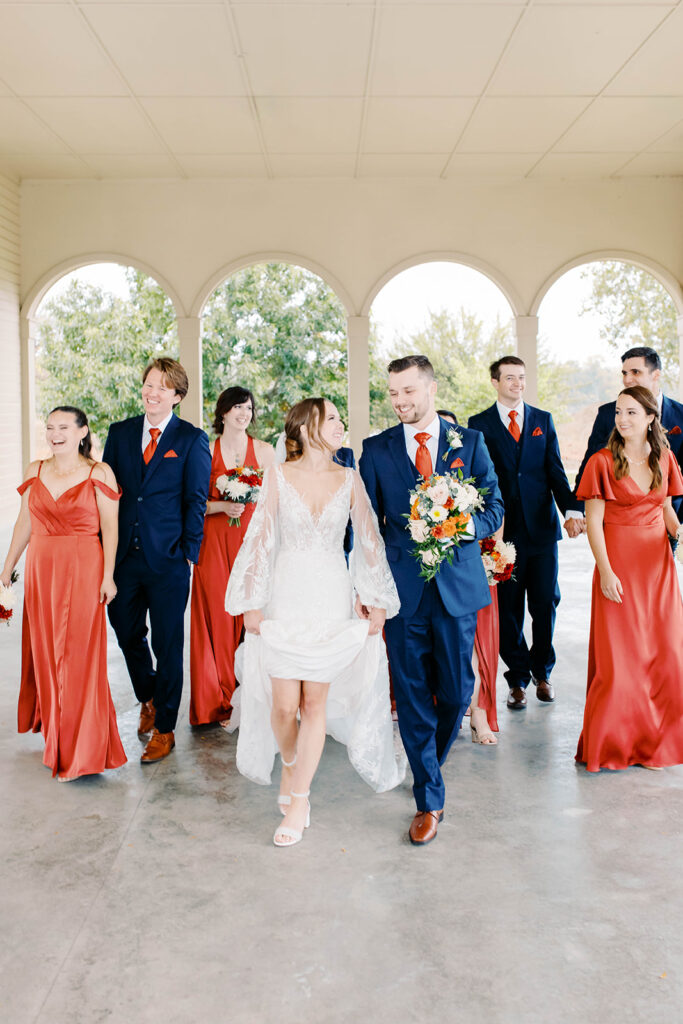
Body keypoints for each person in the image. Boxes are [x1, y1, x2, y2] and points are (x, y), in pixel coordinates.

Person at [226, 398, 405, 848]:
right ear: (307, 428)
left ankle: (300, 799)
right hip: (286, 596)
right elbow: (260, 539)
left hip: (330, 595)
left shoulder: (349, 478)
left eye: (341, 418)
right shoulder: (277, 475)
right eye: (332, 419)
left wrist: (375, 598)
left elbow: (369, 541)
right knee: (283, 706)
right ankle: (291, 765)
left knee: (313, 702)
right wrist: (251, 600)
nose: (341, 425)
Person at [360, 355, 504, 846]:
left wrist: (458, 524)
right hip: (402, 594)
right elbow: (367, 529)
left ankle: (428, 764)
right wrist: (367, 588)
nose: (399, 401)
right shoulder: (376, 450)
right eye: (393, 393)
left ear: (430, 389)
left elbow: (494, 508)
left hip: (456, 589)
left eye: (408, 391)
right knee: (412, 692)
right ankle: (428, 797)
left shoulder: (471, 443)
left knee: (459, 692)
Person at [0, 407, 126, 781]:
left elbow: (111, 528)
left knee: (77, 659)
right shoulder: (35, 470)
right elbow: (25, 521)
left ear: (82, 432)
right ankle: (57, 739)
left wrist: (109, 576)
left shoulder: (99, 472)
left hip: (84, 568)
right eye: (51, 427)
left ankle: (80, 752)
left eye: (64, 427)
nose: (55, 434)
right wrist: (7, 568)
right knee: (46, 655)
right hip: (42, 569)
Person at [103, 358, 211, 763]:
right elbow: (107, 493)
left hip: (168, 561)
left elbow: (195, 501)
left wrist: (188, 555)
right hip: (122, 559)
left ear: (177, 396)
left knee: (168, 646)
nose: (152, 393)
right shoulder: (120, 433)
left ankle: (164, 728)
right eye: (149, 385)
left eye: (162, 388)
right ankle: (147, 695)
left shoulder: (191, 439)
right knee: (127, 633)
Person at [576, 385, 683, 772]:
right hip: (618, 566)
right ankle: (613, 745)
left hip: (658, 568)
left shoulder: (665, 458)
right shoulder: (601, 462)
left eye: (631, 413)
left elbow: (666, 508)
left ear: (651, 418)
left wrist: (678, 531)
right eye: (619, 412)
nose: (621, 419)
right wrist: (605, 571)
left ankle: (653, 745)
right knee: (621, 661)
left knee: (664, 655)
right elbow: (593, 522)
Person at [468, 356, 579, 711]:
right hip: (503, 534)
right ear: (495, 382)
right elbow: (478, 480)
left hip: (543, 532)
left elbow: (555, 471)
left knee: (545, 603)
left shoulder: (542, 420)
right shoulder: (478, 425)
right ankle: (516, 678)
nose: (518, 383)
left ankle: (542, 673)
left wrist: (572, 510)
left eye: (522, 377)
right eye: (510, 378)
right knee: (509, 609)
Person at [190, 387, 274, 727]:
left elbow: (275, 501)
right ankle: (220, 701)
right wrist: (222, 506)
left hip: (253, 544)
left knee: (252, 619)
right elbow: (192, 502)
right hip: (214, 545)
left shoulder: (264, 451)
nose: (244, 413)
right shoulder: (206, 451)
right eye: (237, 407)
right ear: (223, 412)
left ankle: (251, 698)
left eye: (248, 408)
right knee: (219, 620)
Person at [438, 409, 498, 745]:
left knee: (472, 647)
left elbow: (495, 509)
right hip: (431, 570)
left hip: (471, 567)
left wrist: (494, 556)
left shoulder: (474, 459)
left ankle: (477, 714)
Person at [573, 346, 683, 528]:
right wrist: (576, 509)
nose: (627, 379)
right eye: (624, 373)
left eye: (635, 372)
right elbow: (590, 461)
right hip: (620, 521)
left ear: (656, 375)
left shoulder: (681, 415)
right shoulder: (607, 413)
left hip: (672, 516)